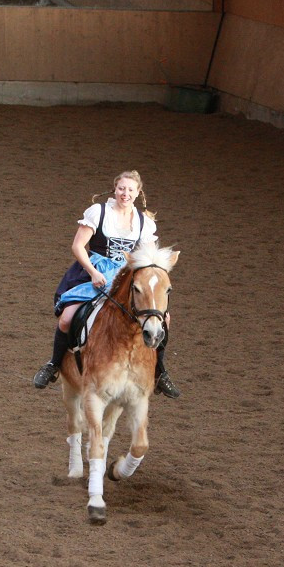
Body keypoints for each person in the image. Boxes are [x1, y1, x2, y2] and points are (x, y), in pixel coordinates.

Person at [32, 170, 181, 398]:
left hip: (127, 276)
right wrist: (92, 272)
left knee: (164, 319)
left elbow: (148, 257)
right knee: (67, 318)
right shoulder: (99, 212)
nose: (125, 193)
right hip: (97, 272)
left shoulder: (144, 222)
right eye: (122, 188)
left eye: (131, 190)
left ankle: (160, 372)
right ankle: (53, 364)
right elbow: (78, 246)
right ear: (115, 189)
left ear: (138, 193)